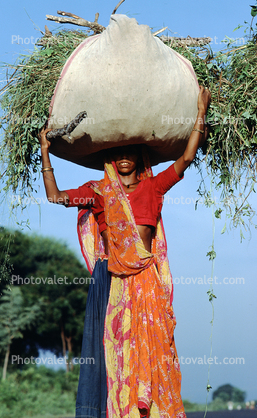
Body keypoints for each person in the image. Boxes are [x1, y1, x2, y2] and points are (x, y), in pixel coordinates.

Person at [39, 86, 211, 418]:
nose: (124, 157)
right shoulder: (99, 192)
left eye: (130, 151)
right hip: (112, 280)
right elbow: (55, 196)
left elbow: (187, 158)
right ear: (109, 158)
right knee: (114, 354)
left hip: (146, 280)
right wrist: (45, 151)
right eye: (117, 152)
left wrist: (200, 111)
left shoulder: (154, 187)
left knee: (153, 349)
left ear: (140, 156)